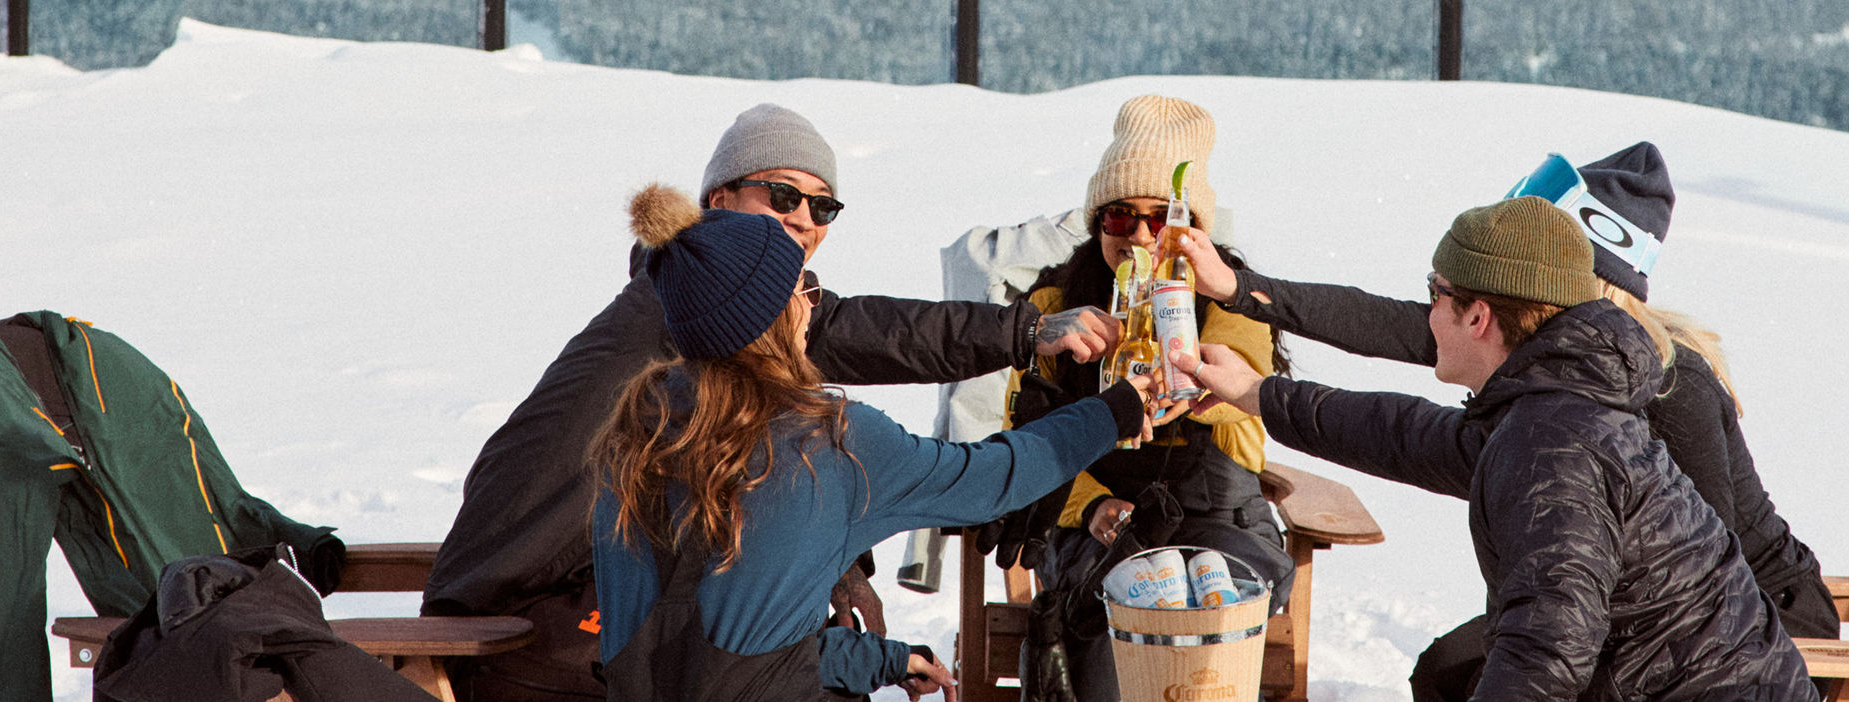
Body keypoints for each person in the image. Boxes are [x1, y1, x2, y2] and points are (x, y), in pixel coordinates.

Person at [423, 103, 1121, 700]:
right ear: (717, 203)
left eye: (822, 206)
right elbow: (871, 345)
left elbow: (762, 480)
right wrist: (1035, 338)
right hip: (520, 623)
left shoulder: (707, 315)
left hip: (576, 612)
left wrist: (840, 565)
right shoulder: (694, 319)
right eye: (781, 196)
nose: (804, 219)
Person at [1161, 144, 1835, 697]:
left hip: (1717, 653)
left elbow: (1553, 645)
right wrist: (1258, 388)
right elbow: (1408, 433)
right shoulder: (1557, 386)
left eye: (1436, 295)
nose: (1424, 316)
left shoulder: (1576, 430)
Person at [589, 190, 1166, 701]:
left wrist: (882, 661)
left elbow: (710, 657)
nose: (813, 303)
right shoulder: (830, 443)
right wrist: (1114, 411)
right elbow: (994, 478)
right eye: (801, 288)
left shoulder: (637, 438)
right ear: (770, 314)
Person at [995, 94, 1292, 702]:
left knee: (1207, 604)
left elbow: (1249, 413)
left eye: (1161, 219)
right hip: (1094, 526)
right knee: (1125, 608)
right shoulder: (1055, 309)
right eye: (1119, 216)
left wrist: (1200, 386)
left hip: (1217, 520)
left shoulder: (1234, 305)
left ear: (1194, 231)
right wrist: (1093, 504)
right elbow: (1024, 440)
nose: (1139, 235)